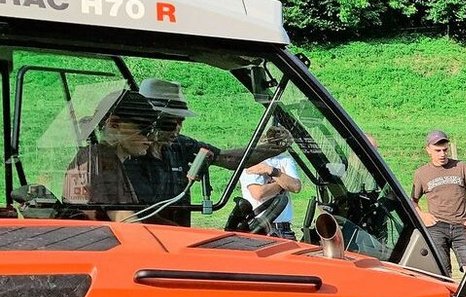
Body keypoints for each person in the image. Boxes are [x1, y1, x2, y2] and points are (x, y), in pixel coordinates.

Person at [136, 77, 290, 226]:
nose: (177, 130)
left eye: (180, 122)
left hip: (178, 235)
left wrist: (275, 146)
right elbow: (134, 214)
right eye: (169, 123)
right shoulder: (131, 155)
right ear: (153, 120)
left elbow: (229, 158)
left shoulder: (181, 145)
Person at [61, 89, 158, 221]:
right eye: (145, 130)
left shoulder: (95, 155)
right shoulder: (102, 159)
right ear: (114, 124)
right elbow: (123, 218)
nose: (153, 138)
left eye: (153, 131)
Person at [411, 130, 466, 275]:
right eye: (437, 151)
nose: (442, 154)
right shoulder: (421, 173)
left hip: (462, 226)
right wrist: (422, 215)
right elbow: (413, 201)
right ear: (428, 150)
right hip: (436, 227)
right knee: (441, 272)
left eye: (445, 150)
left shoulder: (461, 167)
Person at [239, 133, 304, 239]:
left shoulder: (285, 160)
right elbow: (258, 193)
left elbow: (296, 187)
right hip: (259, 229)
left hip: (284, 230)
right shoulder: (251, 162)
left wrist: (271, 171)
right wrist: (283, 181)